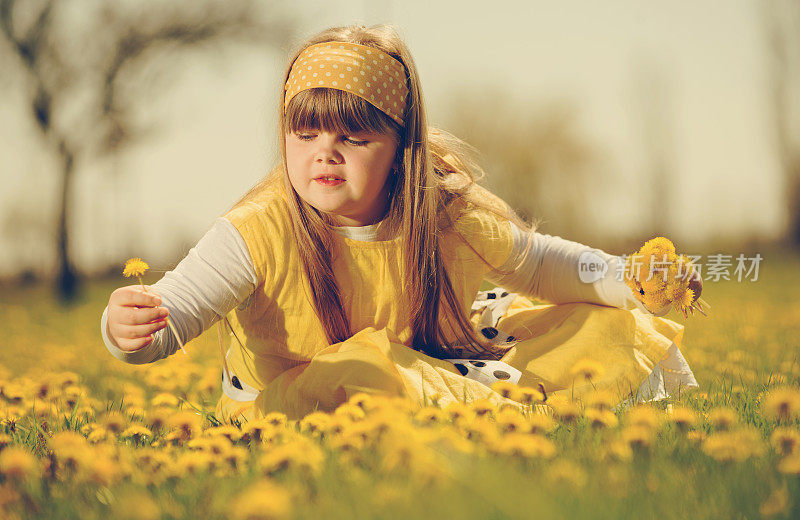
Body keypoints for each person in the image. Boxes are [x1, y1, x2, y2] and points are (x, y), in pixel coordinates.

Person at [100, 24, 699, 423]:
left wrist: (631, 279)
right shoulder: (259, 230)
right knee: (367, 363)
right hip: (292, 407)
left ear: (401, 146)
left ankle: (504, 407)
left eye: (354, 135)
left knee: (602, 324)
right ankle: (491, 410)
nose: (324, 152)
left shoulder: (442, 212)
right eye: (303, 134)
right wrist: (132, 329)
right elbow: (175, 310)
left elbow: (539, 264)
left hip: (428, 371)